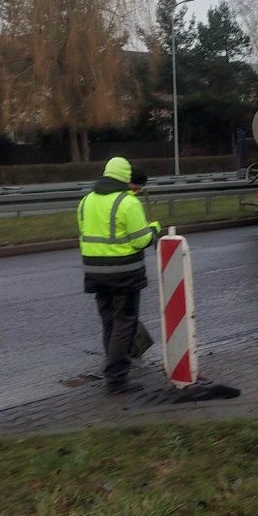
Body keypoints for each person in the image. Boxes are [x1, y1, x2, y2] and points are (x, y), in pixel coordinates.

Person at [77, 157, 161, 395]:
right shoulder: (128, 202)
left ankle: (114, 367)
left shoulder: (86, 201)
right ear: (126, 178)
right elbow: (141, 240)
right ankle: (116, 378)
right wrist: (154, 228)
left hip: (95, 272)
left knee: (109, 322)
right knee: (124, 323)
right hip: (123, 273)